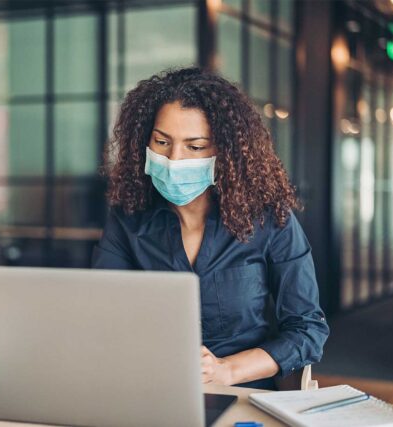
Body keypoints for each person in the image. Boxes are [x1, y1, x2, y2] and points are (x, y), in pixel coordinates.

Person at [91, 67, 329, 390]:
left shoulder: (269, 218)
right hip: (151, 390)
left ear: (224, 152)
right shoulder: (127, 218)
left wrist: (227, 371)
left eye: (195, 147)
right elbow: (104, 316)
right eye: (162, 142)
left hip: (242, 393)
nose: (174, 159)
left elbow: (307, 331)